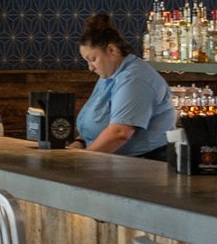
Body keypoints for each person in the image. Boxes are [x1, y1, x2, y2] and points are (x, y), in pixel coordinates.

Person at [73, 12, 177, 158]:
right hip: (109, 161)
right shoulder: (111, 73)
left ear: (111, 50)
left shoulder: (135, 79)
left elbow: (120, 133)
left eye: (92, 59)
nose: (90, 67)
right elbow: (99, 120)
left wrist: (78, 161)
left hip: (143, 165)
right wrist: (80, 143)